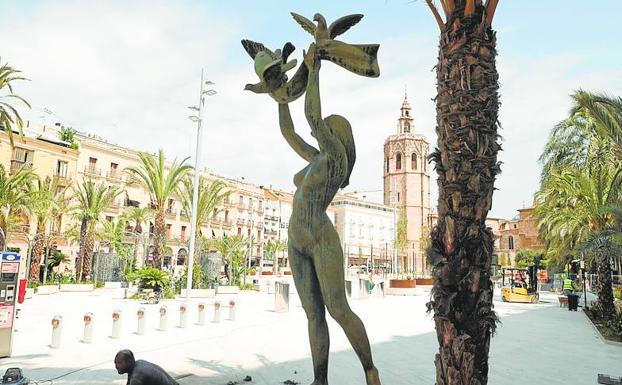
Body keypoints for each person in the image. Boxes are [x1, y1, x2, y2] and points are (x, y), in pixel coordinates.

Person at [276, 44, 381, 385]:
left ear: (338, 136)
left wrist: (314, 70)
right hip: (296, 238)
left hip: (321, 239)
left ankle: (369, 369)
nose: (319, 132)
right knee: (312, 314)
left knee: (338, 309)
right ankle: (319, 380)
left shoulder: (335, 160)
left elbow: (312, 119)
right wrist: (280, 99)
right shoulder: (315, 159)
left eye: (328, 128)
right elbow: (290, 132)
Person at [114, 349, 179, 385]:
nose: (116, 366)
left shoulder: (137, 376)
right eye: (115, 363)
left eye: (119, 363)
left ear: (129, 362)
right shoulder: (138, 363)